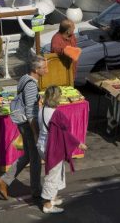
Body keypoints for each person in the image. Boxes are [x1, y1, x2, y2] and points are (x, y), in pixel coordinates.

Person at [0, 56, 48, 202]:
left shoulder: (25, 78)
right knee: (35, 158)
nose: (47, 70)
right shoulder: (31, 85)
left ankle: (4, 181)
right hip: (27, 124)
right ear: (36, 70)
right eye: (45, 68)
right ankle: (36, 190)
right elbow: (31, 114)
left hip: (22, 122)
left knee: (28, 156)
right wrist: (36, 133)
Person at [38, 85, 88, 214]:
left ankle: (52, 198)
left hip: (42, 146)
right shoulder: (56, 114)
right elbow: (65, 133)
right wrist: (78, 144)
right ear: (56, 97)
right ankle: (47, 205)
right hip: (52, 148)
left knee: (56, 172)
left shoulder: (42, 109)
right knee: (52, 176)